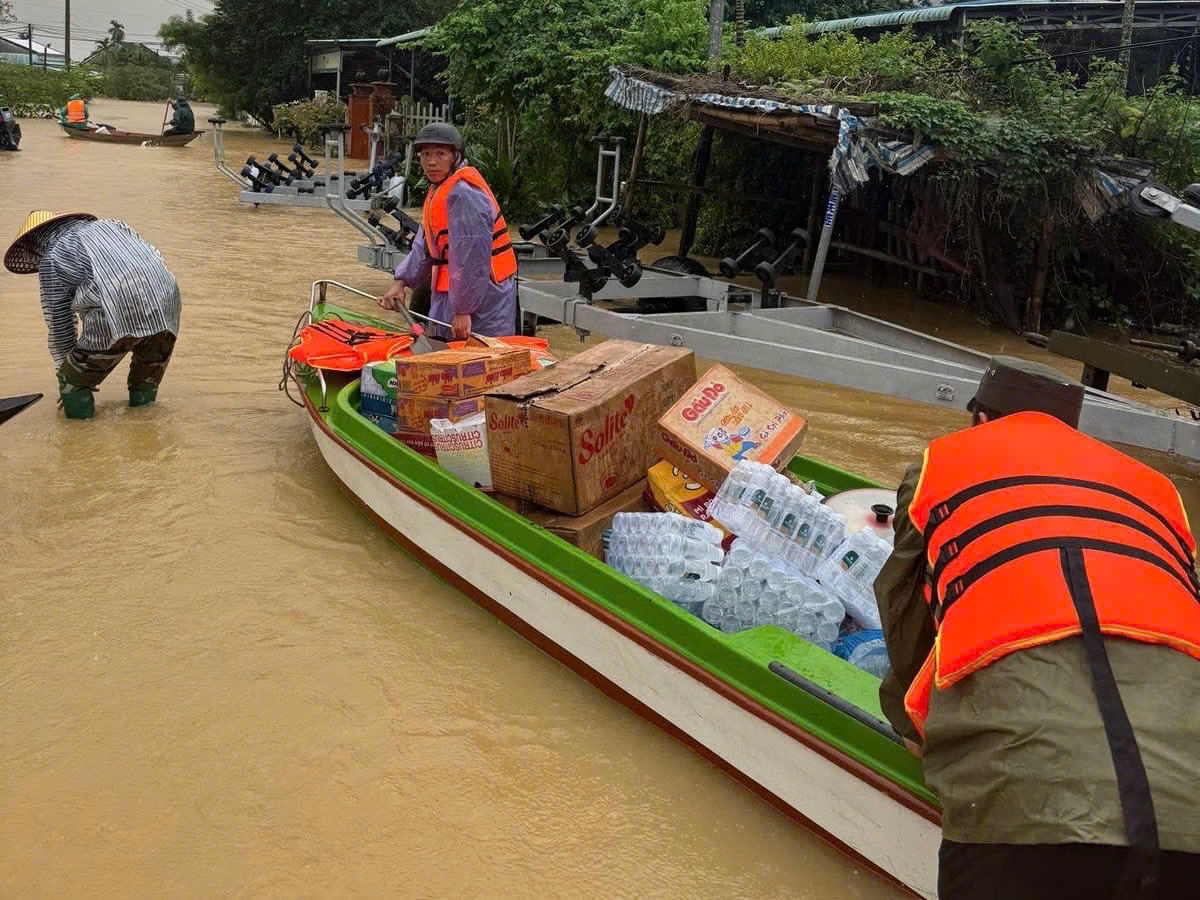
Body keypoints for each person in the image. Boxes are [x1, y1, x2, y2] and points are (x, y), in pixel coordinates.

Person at [875, 355, 1200, 898]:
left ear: (981, 420)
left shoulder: (943, 464)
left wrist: (911, 730)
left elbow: (904, 612)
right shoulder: (1157, 492)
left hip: (1025, 807)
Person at [4, 210, 182, 420]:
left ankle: (79, 441)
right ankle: (146, 434)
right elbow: (152, 258)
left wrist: (71, 374)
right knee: (145, 382)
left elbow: (60, 324)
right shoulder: (116, 225)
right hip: (168, 300)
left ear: (37, 242)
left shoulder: (52, 256)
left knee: (73, 382)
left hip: (117, 307)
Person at [377, 123, 517, 339]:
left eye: (440, 154)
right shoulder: (440, 190)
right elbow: (425, 246)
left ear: (456, 156)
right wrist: (401, 282)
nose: (431, 161)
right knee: (444, 350)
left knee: (481, 359)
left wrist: (463, 310)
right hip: (451, 293)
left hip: (484, 297)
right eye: (425, 154)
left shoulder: (464, 194)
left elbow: (472, 259)